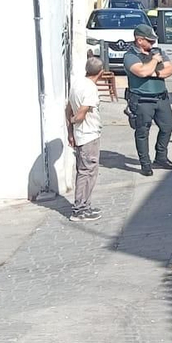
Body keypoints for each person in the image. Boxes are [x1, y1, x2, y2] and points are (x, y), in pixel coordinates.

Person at [124, 23, 172, 176]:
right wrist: (154, 62)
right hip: (141, 100)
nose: (153, 43)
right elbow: (141, 72)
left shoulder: (157, 52)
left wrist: (154, 73)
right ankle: (145, 164)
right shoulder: (130, 56)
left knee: (167, 126)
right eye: (150, 41)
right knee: (142, 132)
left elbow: (170, 69)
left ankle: (161, 157)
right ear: (139, 40)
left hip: (161, 97)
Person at [67, 56, 105, 220]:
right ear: (101, 73)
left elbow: (67, 108)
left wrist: (70, 131)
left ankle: (84, 206)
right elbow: (81, 113)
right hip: (88, 135)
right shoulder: (90, 89)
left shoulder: (77, 84)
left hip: (80, 134)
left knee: (84, 170)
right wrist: (74, 121)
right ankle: (80, 208)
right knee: (87, 172)